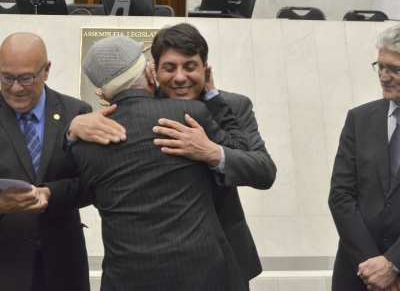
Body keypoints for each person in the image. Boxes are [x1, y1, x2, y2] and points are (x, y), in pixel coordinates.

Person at [70, 23, 277, 290]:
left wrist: (212, 152)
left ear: (205, 68)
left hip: (225, 259)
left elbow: (263, 170)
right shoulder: (130, 111)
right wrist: (71, 129)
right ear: (154, 70)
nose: (180, 77)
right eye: (169, 68)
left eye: (190, 66)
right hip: (150, 268)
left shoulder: (234, 106)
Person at [0, 32, 91, 291]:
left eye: (27, 78)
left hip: (63, 264)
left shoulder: (77, 113)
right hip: (6, 263)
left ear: (46, 69)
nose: (16, 87)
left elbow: (92, 183)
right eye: (7, 77)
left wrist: (50, 194)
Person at [329, 24, 400, 291]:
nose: (383, 76)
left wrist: (393, 264)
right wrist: (374, 266)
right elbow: (340, 195)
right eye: (380, 66)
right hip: (358, 274)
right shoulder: (359, 119)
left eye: (394, 69)